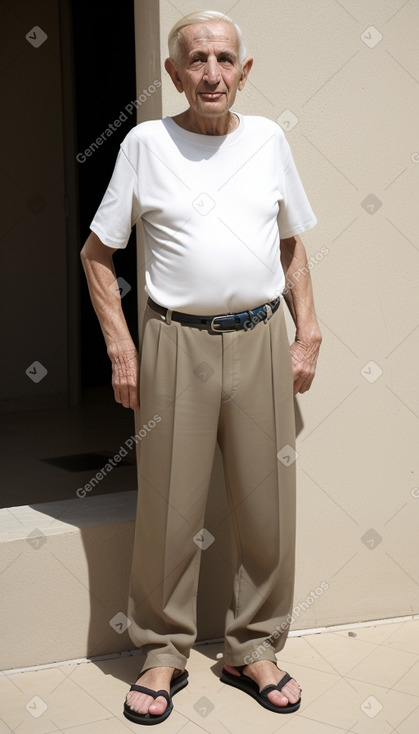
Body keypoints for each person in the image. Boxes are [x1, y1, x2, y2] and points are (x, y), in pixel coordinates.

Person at [80, 9, 322, 725]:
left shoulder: (270, 140)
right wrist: (123, 348)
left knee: (266, 506)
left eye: (223, 60)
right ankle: (161, 651)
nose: (210, 73)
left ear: (243, 71)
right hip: (174, 343)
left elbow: (290, 244)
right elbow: (99, 253)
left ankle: (253, 647)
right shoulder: (145, 143)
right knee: (168, 507)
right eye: (195, 59)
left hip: (258, 341)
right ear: (172, 72)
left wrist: (306, 331)